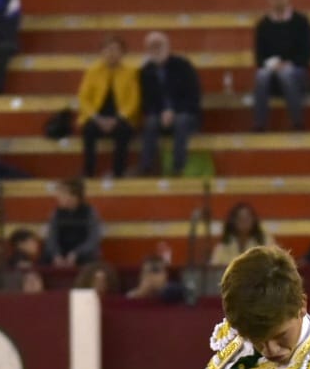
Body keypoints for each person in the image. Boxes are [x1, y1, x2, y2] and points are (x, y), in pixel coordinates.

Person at [137, 31, 201, 177]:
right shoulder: (145, 72)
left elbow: (193, 97)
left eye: (159, 45)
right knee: (150, 122)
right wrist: (161, 113)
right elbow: (146, 102)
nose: (156, 49)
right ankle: (146, 168)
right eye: (152, 46)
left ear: (168, 46)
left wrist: (173, 111)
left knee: (181, 121)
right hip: (159, 116)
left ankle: (178, 167)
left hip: (185, 114)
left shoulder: (183, 66)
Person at [77, 35, 140, 179]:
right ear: (102, 52)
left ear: (123, 53)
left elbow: (134, 100)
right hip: (97, 116)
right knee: (88, 130)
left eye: (115, 49)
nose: (111, 53)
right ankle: (88, 173)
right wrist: (96, 118)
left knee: (123, 131)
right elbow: (83, 98)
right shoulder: (92, 72)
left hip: (121, 117)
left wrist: (118, 118)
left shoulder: (131, 72)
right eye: (108, 49)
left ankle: (119, 173)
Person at [252, 0, 310, 132]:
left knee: (286, 74)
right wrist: (273, 65)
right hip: (271, 73)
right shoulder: (263, 25)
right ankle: (259, 125)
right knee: (261, 75)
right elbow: (259, 58)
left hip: (296, 72)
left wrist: (287, 64)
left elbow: (306, 56)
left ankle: (297, 123)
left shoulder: (301, 22)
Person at [44, 177, 102, 267]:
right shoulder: (56, 213)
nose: (58, 198)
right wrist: (56, 255)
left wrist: (76, 253)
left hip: (82, 253)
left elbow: (93, 239)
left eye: (62, 194)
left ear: (74, 196)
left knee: (90, 258)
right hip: (62, 252)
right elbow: (52, 238)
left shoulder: (89, 212)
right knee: (46, 258)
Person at [210, 201, 275, 267]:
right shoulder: (223, 247)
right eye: (240, 218)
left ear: (253, 220)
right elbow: (214, 269)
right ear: (233, 221)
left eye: (247, 218)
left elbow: (275, 265)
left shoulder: (265, 242)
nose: (244, 222)